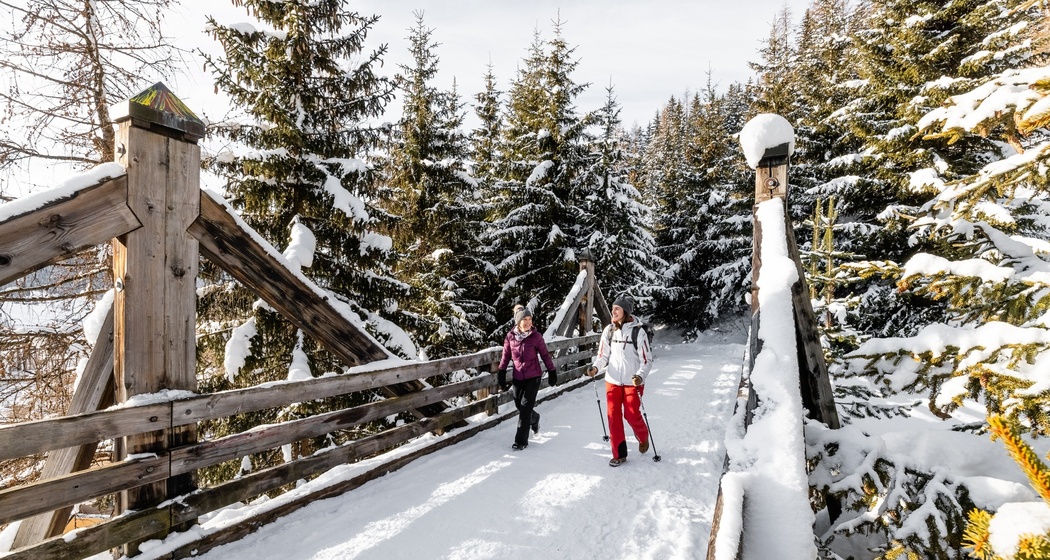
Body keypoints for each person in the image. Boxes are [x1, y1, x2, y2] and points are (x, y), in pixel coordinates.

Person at [587, 295, 652, 467]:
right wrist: (595, 367)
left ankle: (642, 435)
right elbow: (603, 356)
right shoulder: (609, 330)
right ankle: (619, 454)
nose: (613, 311)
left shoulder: (638, 331)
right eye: (613, 308)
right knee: (613, 416)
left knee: (631, 413)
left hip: (633, 381)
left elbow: (646, 360)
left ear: (626, 311)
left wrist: (640, 376)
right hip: (613, 380)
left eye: (617, 308)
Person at [498, 304, 557, 450]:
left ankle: (521, 441)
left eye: (530, 319)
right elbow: (505, 356)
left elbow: (545, 355)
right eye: (525, 319)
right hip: (518, 377)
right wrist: (501, 372)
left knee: (524, 409)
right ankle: (535, 418)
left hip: (533, 377)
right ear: (518, 322)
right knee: (520, 405)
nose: (528, 322)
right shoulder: (510, 337)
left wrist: (552, 371)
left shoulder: (536, 337)